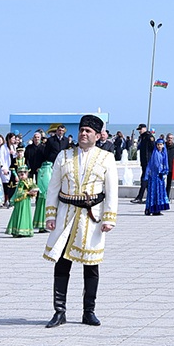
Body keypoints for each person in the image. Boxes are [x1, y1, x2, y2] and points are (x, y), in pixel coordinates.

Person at [43, 113, 118, 327]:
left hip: (92, 217)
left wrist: (109, 218)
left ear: (97, 135)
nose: (84, 134)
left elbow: (111, 190)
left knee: (91, 265)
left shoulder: (106, 157)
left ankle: (89, 312)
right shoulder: (64, 155)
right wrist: (50, 215)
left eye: (88, 131)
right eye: (81, 130)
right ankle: (59, 311)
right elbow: (53, 187)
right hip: (66, 215)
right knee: (61, 262)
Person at [6, 157, 38, 237]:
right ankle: (18, 230)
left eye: (23, 174)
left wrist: (34, 191)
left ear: (27, 174)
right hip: (20, 201)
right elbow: (19, 192)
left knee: (25, 214)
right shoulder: (20, 183)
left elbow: (34, 187)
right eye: (20, 174)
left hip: (26, 200)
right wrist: (28, 192)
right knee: (20, 214)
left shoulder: (29, 181)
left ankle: (25, 230)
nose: (22, 175)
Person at [144, 137, 170, 216]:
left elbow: (165, 164)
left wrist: (165, 171)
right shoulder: (155, 153)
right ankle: (152, 209)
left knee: (159, 192)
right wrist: (160, 171)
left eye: (161, 144)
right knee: (154, 192)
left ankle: (157, 209)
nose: (159, 146)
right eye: (158, 144)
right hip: (155, 176)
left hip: (160, 176)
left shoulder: (163, 153)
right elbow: (155, 165)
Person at [130, 125, 155, 205]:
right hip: (144, 162)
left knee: (144, 179)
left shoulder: (149, 137)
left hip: (148, 162)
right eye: (139, 129)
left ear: (145, 129)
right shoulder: (143, 137)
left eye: (140, 129)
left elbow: (153, 148)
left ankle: (140, 197)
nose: (139, 131)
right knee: (146, 180)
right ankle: (151, 197)